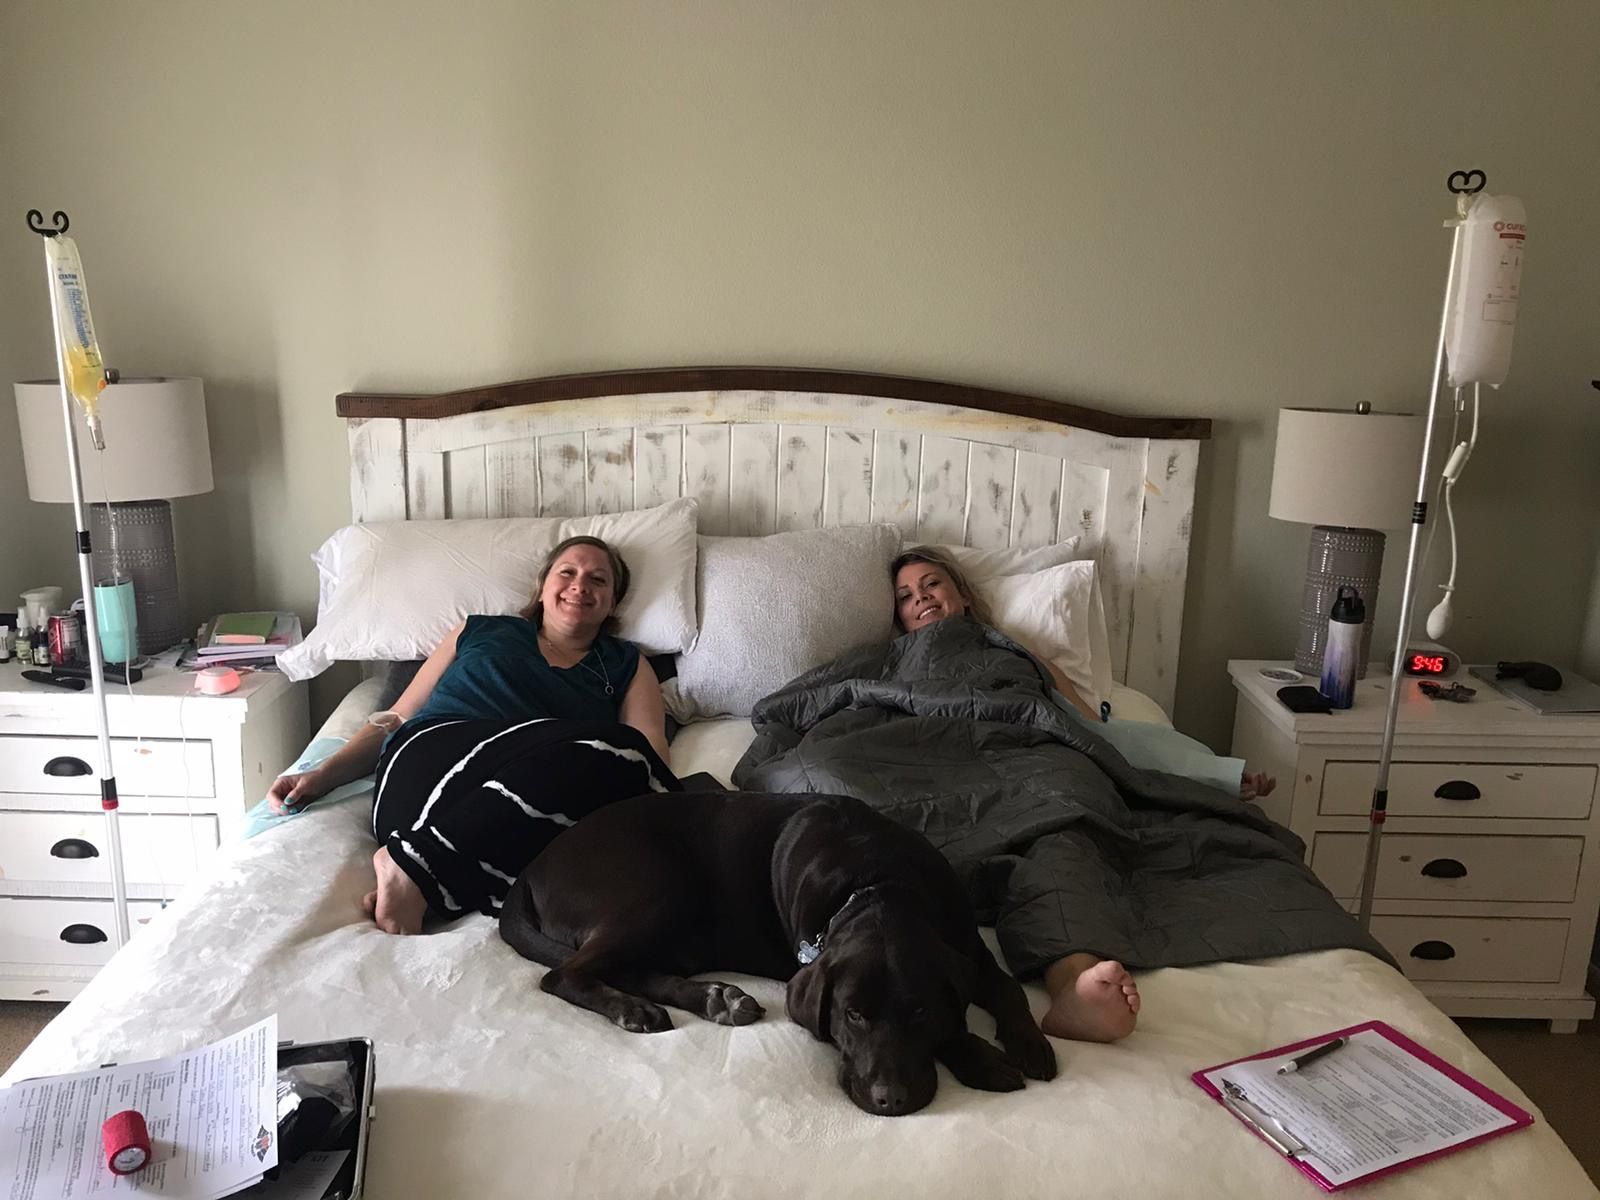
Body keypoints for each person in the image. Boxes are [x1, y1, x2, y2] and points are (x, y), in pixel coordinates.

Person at [890, 547, 1274, 1044]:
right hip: (942, 769)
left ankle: (1074, 985)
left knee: (1060, 832)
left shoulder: (1018, 656)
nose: (921, 597)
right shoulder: (889, 663)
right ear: (898, 618)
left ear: (961, 596)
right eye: (906, 595)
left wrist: (1210, 774)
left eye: (932, 584)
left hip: (1031, 760)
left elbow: (1095, 732)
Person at [267, 536, 673, 936]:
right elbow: (396, 717)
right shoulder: (481, 630)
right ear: (543, 586)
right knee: (621, 752)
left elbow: (649, 755)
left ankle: (419, 876)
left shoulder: (626, 663)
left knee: (627, 765)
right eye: (567, 572)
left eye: (598, 580)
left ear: (614, 601)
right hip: (428, 767)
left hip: (512, 804)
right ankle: (415, 868)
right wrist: (322, 775)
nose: (580, 585)